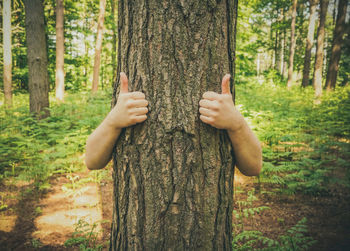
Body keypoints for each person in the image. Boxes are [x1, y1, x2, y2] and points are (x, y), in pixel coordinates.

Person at [85, 72, 262, 176]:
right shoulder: (121, 107)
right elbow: (92, 161)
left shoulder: (227, 110)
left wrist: (237, 125)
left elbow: (253, 167)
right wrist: (112, 122)